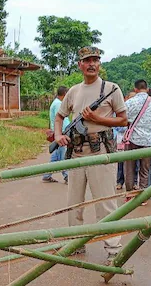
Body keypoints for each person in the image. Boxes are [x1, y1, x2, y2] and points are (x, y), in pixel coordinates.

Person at [54, 46, 127, 264]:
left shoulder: (111, 89)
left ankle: (113, 250)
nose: (91, 64)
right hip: (76, 152)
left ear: (100, 63)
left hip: (101, 152)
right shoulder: (74, 91)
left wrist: (98, 119)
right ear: (80, 65)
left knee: (105, 203)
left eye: (95, 60)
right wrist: (59, 135)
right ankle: (75, 242)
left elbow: (123, 120)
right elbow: (59, 117)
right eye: (87, 60)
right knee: (73, 203)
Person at [123, 80, 151, 200]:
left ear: (135, 89)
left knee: (129, 168)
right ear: (147, 88)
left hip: (132, 140)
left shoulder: (129, 102)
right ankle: (143, 197)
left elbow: (123, 120)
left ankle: (129, 194)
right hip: (147, 141)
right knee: (145, 170)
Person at [43, 86, 69, 184]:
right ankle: (67, 176)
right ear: (65, 94)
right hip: (61, 133)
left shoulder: (56, 103)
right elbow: (61, 120)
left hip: (58, 133)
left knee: (55, 156)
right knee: (63, 156)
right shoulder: (59, 104)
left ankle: (47, 175)